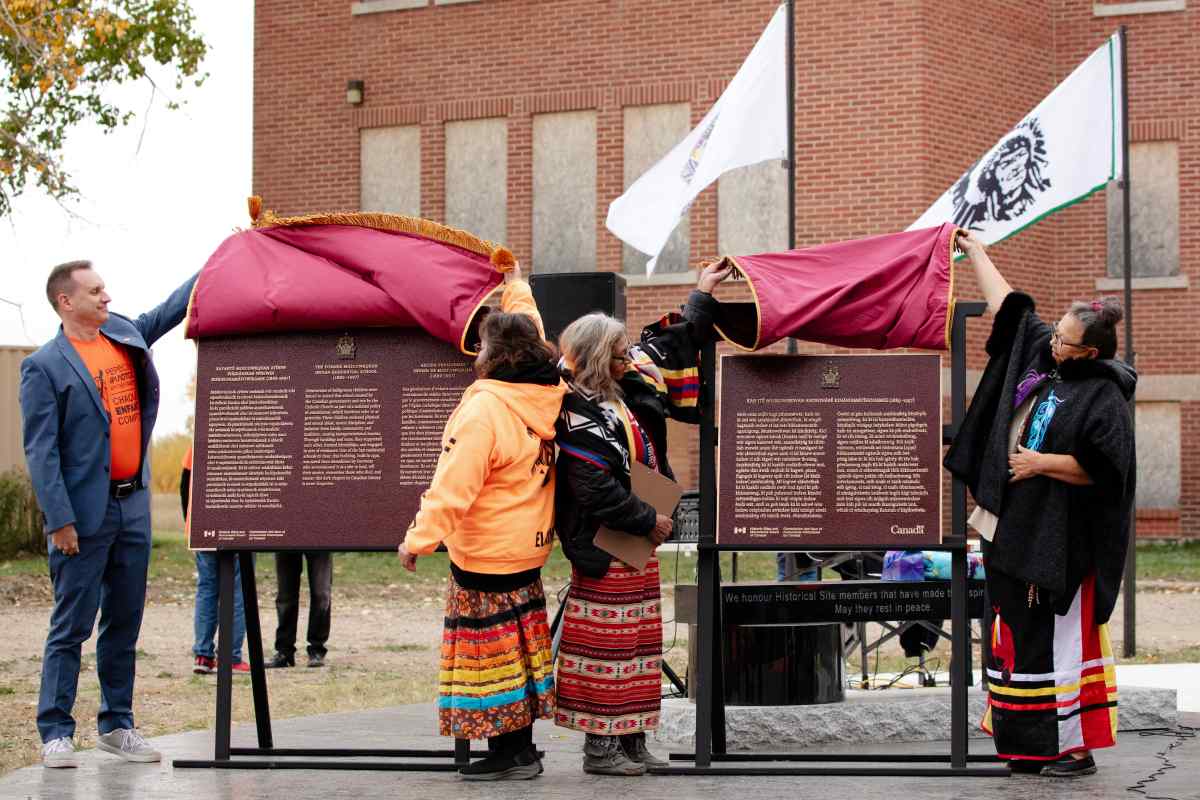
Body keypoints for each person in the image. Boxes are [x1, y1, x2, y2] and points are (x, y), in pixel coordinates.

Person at [945, 231, 1135, 778]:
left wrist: (1039, 465)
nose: (1054, 345)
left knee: (1058, 644)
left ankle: (1074, 750)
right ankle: (1029, 748)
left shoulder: (1104, 394)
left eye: (1066, 343)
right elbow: (1012, 307)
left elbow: (1107, 473)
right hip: (1014, 529)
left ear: (1090, 352)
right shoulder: (1043, 354)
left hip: (1060, 546)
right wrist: (976, 251)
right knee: (1019, 641)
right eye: (1055, 335)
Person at [553, 262, 732, 775]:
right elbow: (592, 487)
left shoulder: (624, 390)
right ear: (592, 357)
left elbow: (672, 343)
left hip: (636, 539)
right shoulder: (574, 409)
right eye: (614, 351)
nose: (625, 357)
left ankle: (632, 741)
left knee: (639, 644)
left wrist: (702, 292)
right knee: (606, 648)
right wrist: (646, 520)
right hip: (606, 542)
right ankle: (600, 748)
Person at [20, 261, 198, 768]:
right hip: (81, 516)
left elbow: (170, 308)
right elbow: (42, 451)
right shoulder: (44, 366)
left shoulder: (123, 334)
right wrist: (59, 521)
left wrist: (225, 255)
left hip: (132, 508)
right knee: (70, 627)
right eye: (96, 291)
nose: (107, 297)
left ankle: (117, 724)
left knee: (124, 622)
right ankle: (55, 730)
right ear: (65, 302)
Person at [398, 263, 566, 781]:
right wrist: (516, 285)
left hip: (486, 555)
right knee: (520, 651)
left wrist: (418, 540)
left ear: (492, 355)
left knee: (492, 661)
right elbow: (530, 323)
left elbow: (455, 486)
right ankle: (522, 747)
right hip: (528, 550)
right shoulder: (547, 389)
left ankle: (508, 753)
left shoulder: (483, 410)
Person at [180, 445, 249, 675]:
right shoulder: (247, 442)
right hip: (238, 526)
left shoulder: (198, 439)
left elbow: (184, 485)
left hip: (202, 527)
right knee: (238, 591)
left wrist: (190, 524)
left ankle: (202, 655)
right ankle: (231, 657)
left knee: (207, 588)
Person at [265, 551, 333, 669]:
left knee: (321, 595)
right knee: (285, 597)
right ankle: (284, 651)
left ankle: (317, 649)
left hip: (320, 537)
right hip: (286, 537)